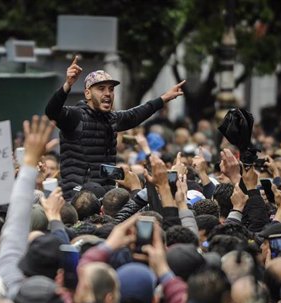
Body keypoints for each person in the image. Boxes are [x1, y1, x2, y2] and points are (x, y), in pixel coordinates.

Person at [45, 56, 186, 198]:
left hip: (105, 197)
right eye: (101, 89)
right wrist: (67, 85)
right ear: (87, 93)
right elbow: (51, 112)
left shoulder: (112, 119)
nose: (107, 93)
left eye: (111, 89)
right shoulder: (75, 116)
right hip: (76, 199)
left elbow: (135, 114)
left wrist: (163, 98)